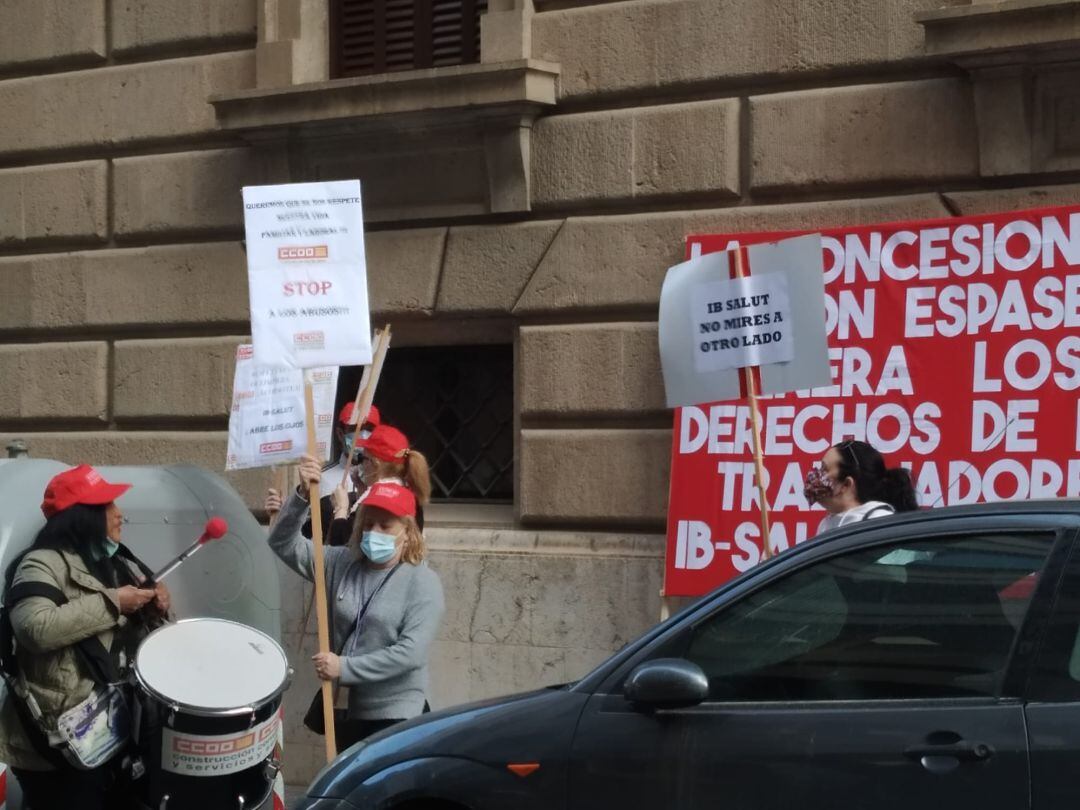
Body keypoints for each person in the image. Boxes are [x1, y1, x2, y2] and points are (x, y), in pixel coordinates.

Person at [0, 464, 169, 809]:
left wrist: (156, 606)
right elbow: (35, 629)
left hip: (113, 730)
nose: (119, 514)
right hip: (58, 742)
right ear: (82, 517)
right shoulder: (40, 564)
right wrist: (114, 602)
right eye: (107, 506)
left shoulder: (114, 561)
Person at [268, 456, 444, 752]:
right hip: (348, 712)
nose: (374, 532)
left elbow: (409, 653)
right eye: (368, 523)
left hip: (397, 715)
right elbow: (283, 544)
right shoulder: (341, 563)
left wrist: (345, 667)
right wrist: (300, 496)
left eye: (385, 526)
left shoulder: (422, 582)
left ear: (407, 531)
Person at [264, 403, 381, 545]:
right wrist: (281, 514)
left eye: (369, 429)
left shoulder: (387, 481)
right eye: (355, 428)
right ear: (340, 434)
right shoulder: (319, 479)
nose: (363, 434)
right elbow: (299, 538)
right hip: (330, 563)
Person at [805, 439, 919, 535]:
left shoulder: (881, 523)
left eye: (824, 469)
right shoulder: (826, 525)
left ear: (846, 484)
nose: (815, 475)